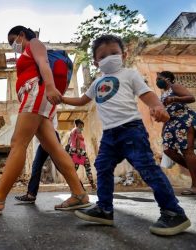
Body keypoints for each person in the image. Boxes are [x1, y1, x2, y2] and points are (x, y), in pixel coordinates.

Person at [61, 34, 191, 236]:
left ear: (124, 54)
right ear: (96, 62)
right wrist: (60, 98)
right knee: (102, 166)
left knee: (147, 169)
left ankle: (174, 212)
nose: (109, 58)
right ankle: (104, 209)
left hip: (131, 129)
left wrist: (157, 107)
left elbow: (147, 95)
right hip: (109, 136)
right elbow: (81, 101)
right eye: (103, 56)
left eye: (114, 53)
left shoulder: (130, 74)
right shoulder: (96, 83)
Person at [0, 25, 90, 214]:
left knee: (18, 143)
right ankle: (79, 194)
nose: (12, 46)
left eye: (12, 41)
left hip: (36, 93)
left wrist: (49, 85)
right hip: (36, 96)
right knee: (54, 149)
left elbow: (44, 63)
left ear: (22, 35)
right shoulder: (26, 50)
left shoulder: (34, 43)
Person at [156, 71, 196, 195]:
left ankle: (195, 185)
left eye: (160, 78)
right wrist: (164, 128)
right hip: (170, 124)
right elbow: (166, 112)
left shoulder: (175, 87)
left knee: (186, 150)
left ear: (167, 79)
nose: (158, 81)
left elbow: (191, 98)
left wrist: (175, 98)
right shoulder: (162, 94)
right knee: (168, 150)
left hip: (183, 120)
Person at [67, 119, 96, 190]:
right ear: (78, 124)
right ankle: (92, 185)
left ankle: (76, 186)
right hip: (80, 152)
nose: (82, 127)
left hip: (73, 152)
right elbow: (77, 140)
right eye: (81, 125)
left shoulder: (72, 131)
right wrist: (78, 150)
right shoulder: (77, 129)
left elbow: (69, 142)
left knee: (73, 170)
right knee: (88, 167)